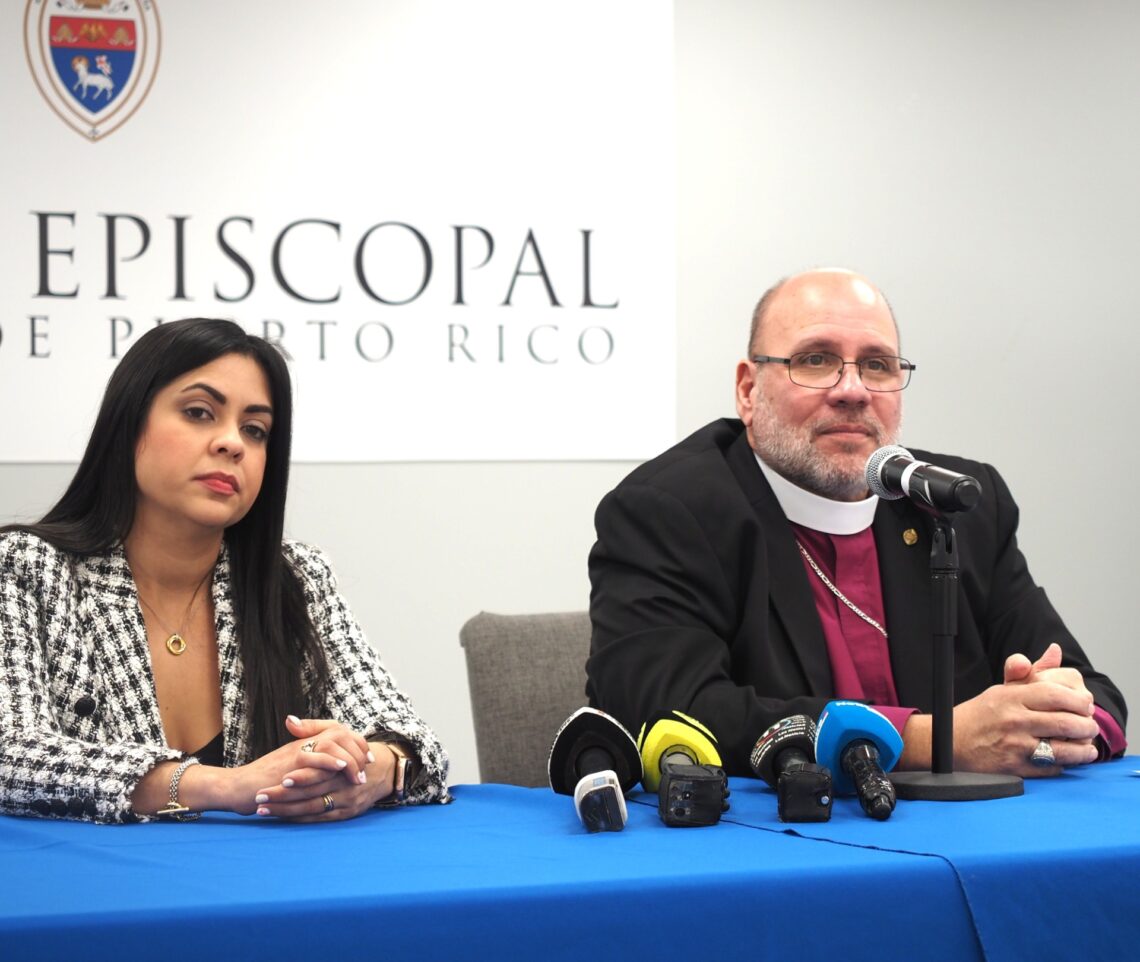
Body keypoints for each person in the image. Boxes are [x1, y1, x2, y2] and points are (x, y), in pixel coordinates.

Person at [586, 268, 1127, 778]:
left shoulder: (958, 505)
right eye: (816, 360)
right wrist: (934, 741)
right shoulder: (670, 510)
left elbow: (1095, 693)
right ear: (749, 391)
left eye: (877, 365)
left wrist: (1053, 718)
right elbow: (666, 714)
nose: (853, 390)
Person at [0, 318, 449, 823]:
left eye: (255, 430)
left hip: (265, 889)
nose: (232, 443)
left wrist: (370, 774)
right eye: (199, 412)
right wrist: (224, 786)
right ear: (128, 426)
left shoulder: (295, 578)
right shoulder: (27, 568)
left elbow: (412, 739)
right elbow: (10, 754)